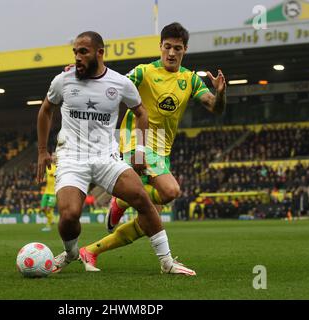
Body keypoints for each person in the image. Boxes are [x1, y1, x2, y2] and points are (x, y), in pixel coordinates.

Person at [37, 30, 195, 276]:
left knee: (142, 198)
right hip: (72, 158)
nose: (78, 57)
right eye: (75, 52)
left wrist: (140, 150)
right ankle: (70, 253)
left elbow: (141, 112)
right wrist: (41, 151)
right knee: (69, 216)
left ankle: (167, 262)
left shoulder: (120, 83)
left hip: (106, 158)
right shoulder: (63, 80)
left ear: (99, 53)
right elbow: (45, 110)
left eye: (83, 52)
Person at [79, 22, 226, 270]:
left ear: (184, 50)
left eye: (177, 48)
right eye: (167, 47)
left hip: (163, 149)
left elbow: (215, 107)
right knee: (171, 191)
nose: (171, 53)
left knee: (149, 220)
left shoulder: (190, 79)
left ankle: (91, 250)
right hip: (139, 139)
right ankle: (122, 202)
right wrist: (82, 76)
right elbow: (112, 86)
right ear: (160, 46)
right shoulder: (144, 72)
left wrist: (221, 93)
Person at [40, 152, 57, 232]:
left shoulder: (59, 167)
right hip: (47, 191)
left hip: (53, 193)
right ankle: (51, 218)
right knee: (43, 209)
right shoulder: (48, 167)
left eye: (55, 156)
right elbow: (46, 177)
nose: (53, 157)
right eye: (52, 156)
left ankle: (48, 226)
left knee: (49, 209)